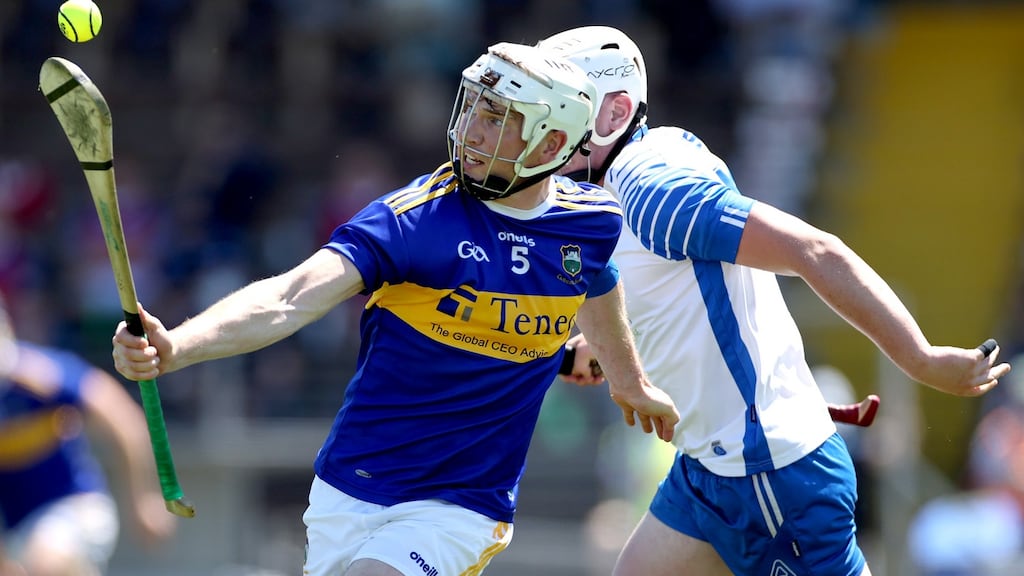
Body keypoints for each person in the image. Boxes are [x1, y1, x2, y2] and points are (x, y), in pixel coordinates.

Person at [110, 41, 679, 576]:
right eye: (475, 110)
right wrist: (178, 346)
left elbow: (595, 284)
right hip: (348, 488)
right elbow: (289, 298)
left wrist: (627, 379)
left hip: (461, 504)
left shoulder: (591, 223)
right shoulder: (414, 220)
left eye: (498, 120)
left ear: (552, 145)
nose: (472, 132)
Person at [539, 26, 1012, 576]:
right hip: (709, 468)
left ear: (613, 113)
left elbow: (812, 248)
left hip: (770, 472)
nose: (541, 131)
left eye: (558, 111)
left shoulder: (653, 188)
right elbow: (676, 300)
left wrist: (919, 358)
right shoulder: (616, 186)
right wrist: (600, 352)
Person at [0, 299, 175, 576]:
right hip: (19, 532)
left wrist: (144, 497)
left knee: (46, 562)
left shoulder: (44, 374)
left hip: (75, 508)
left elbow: (121, 419)